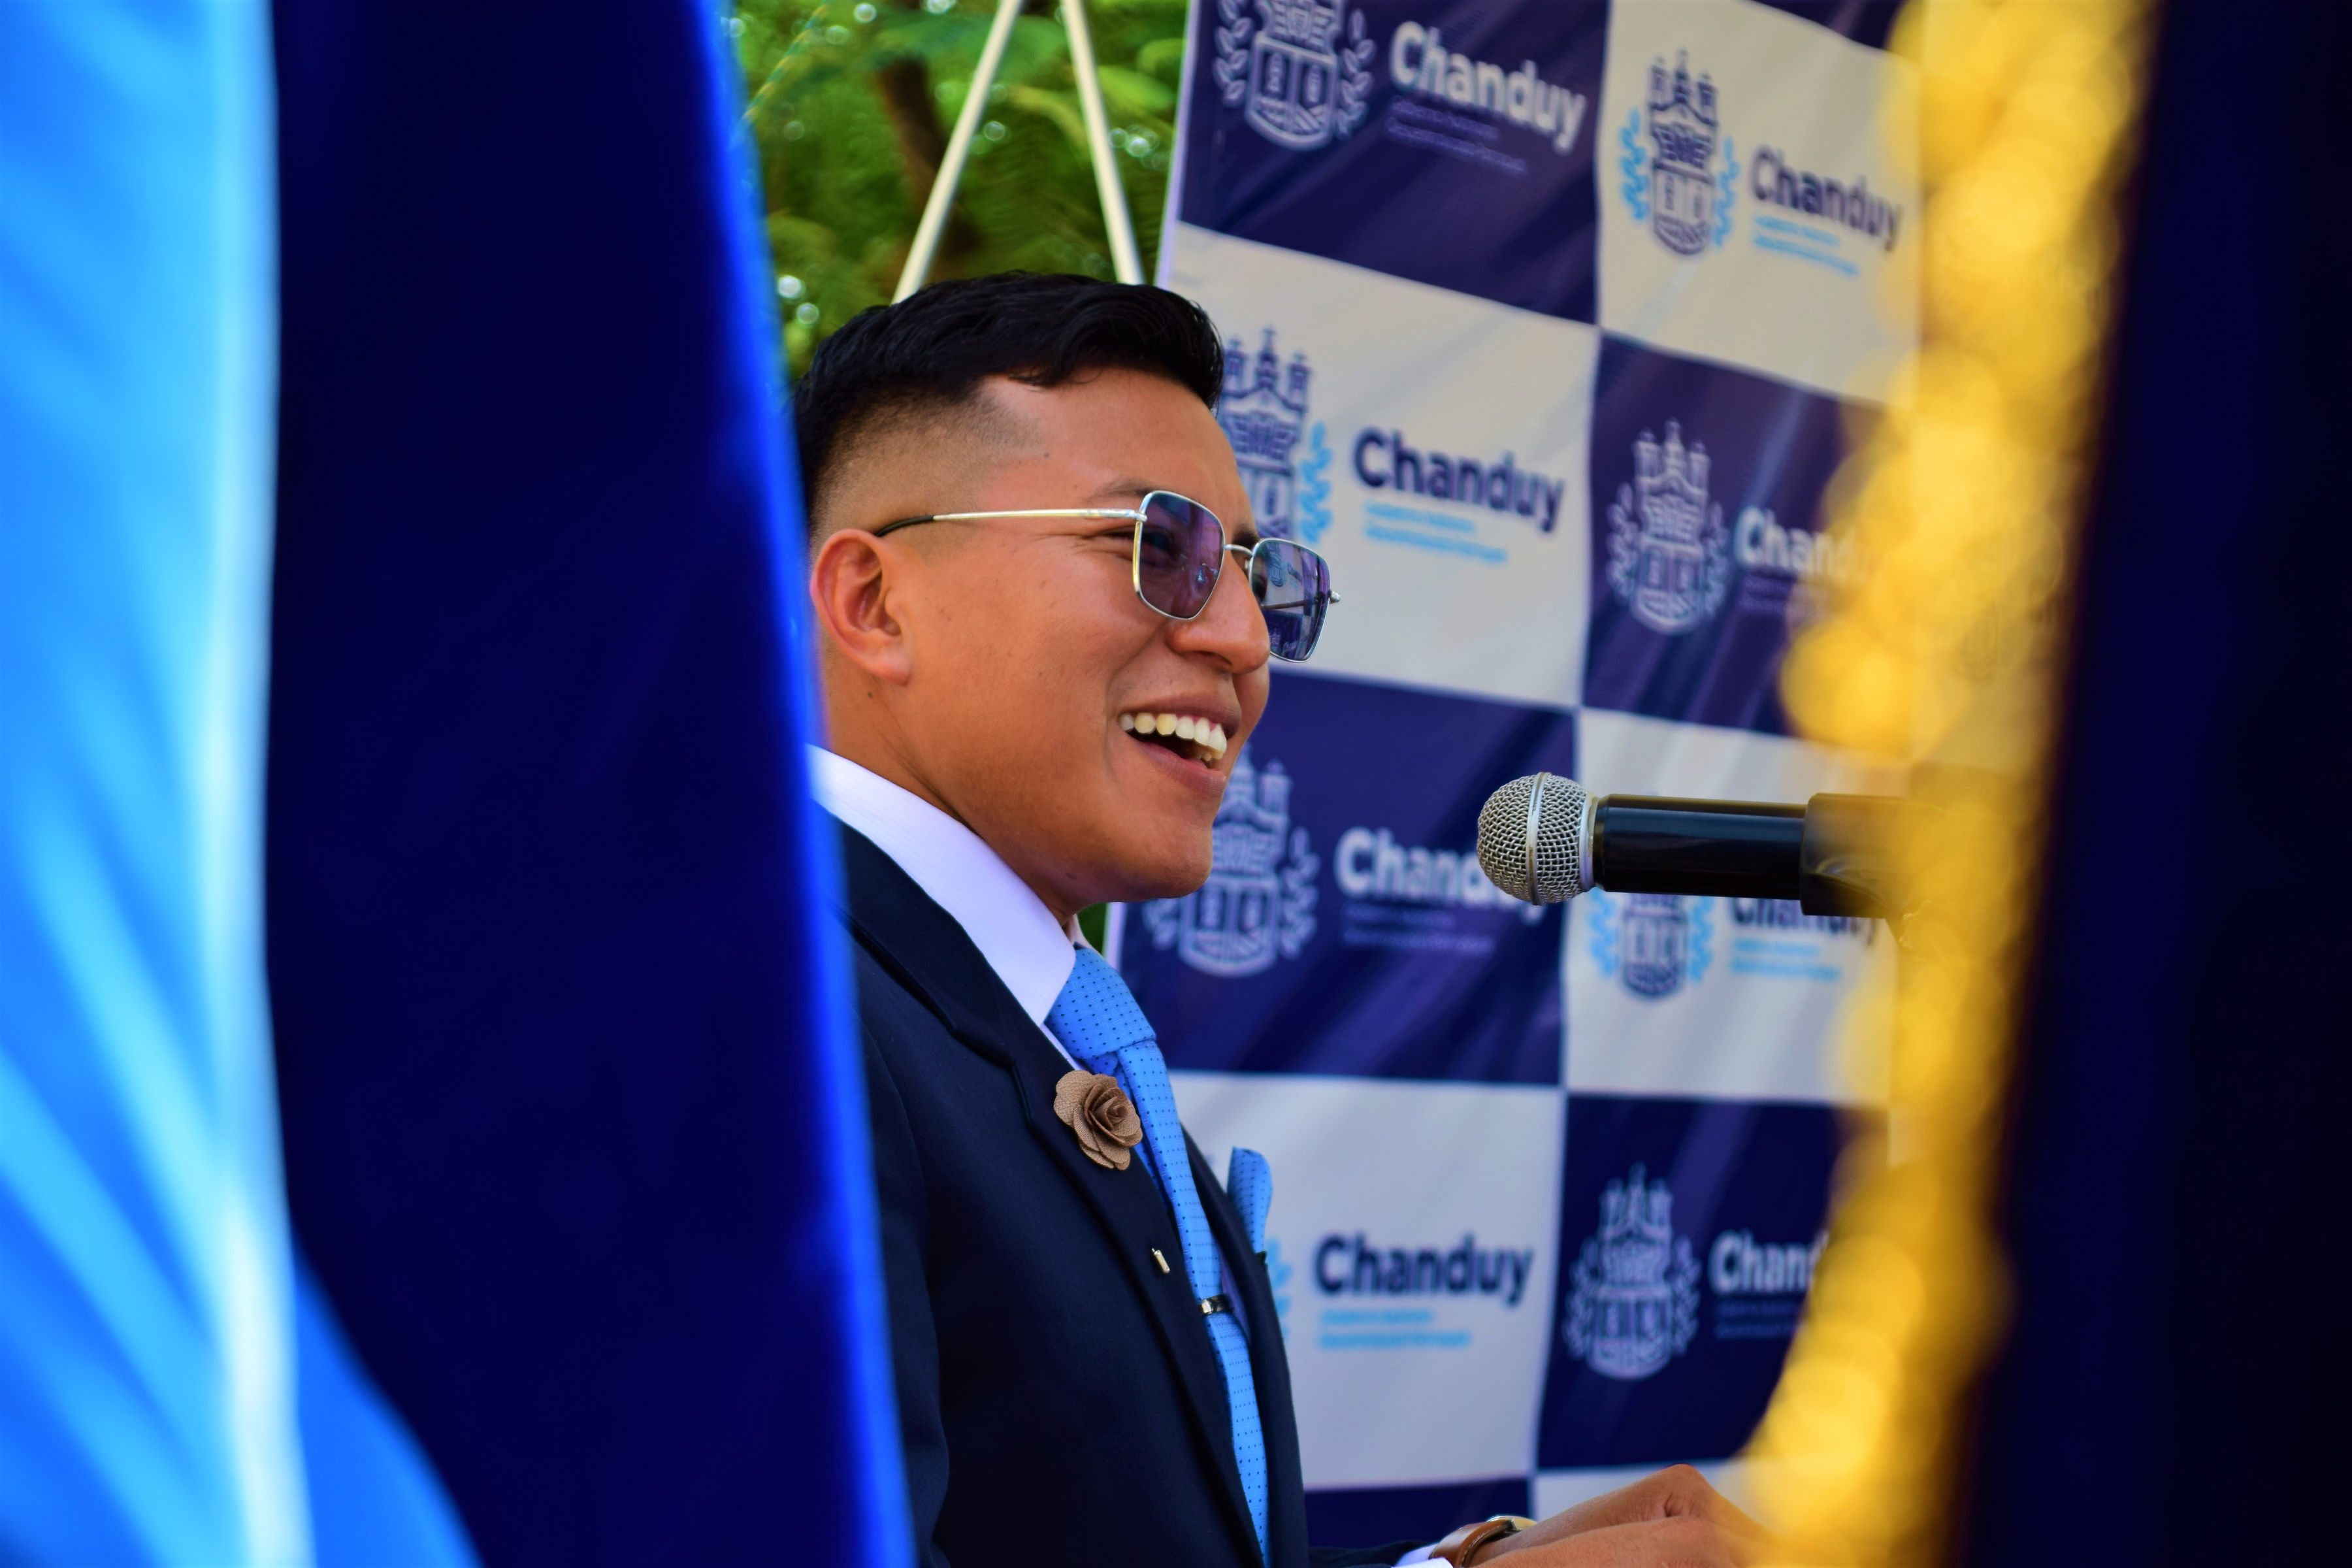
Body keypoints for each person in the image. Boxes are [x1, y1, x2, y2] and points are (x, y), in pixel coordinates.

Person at [797, 272, 1767, 1568]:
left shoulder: (1012, 1021)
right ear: (874, 602)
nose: (1245, 639)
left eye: (1261, 579)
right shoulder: (774, 1019)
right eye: (1160, 549)